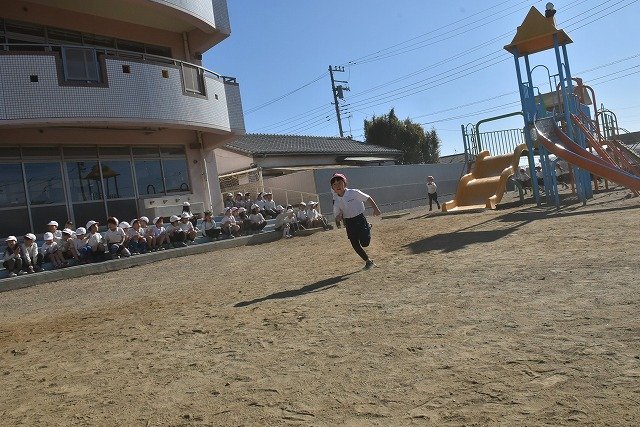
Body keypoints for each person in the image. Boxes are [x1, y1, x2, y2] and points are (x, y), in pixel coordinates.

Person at [331, 173, 381, 270]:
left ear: (345, 183)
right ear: (332, 188)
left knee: (365, 243)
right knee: (355, 244)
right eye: (334, 184)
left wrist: (375, 209)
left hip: (359, 219)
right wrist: (338, 217)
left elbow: (367, 198)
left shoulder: (353, 193)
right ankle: (368, 261)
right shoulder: (336, 201)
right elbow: (336, 215)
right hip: (349, 223)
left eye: (339, 183)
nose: (337, 186)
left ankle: (368, 226)